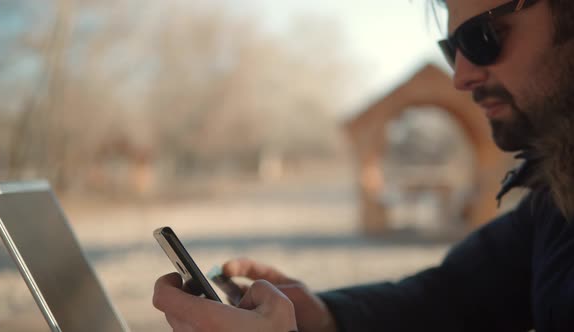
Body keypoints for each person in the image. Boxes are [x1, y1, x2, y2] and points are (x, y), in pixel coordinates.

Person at [153, 0, 574, 330]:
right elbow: (455, 298)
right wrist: (326, 316)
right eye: (452, 50)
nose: (461, 76)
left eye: (483, 37)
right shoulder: (555, 200)